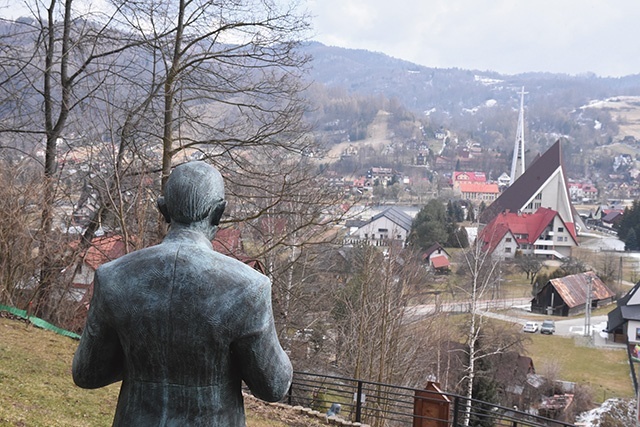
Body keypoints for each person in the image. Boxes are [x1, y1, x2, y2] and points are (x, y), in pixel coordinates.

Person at [72, 161, 292, 426]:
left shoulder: (113, 277)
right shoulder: (248, 287)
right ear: (219, 213)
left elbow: (88, 373)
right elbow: (273, 386)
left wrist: (142, 360)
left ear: (163, 209)